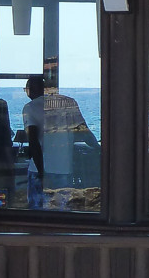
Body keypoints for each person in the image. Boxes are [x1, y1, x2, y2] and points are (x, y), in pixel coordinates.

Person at [22, 75, 99, 209]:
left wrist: (42, 174)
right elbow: (84, 133)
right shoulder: (69, 102)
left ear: (30, 89)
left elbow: (33, 142)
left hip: (39, 170)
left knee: (36, 213)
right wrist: (99, 148)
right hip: (64, 169)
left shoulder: (30, 107)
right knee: (61, 211)